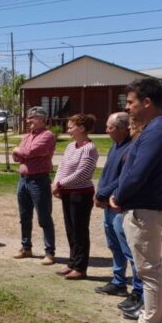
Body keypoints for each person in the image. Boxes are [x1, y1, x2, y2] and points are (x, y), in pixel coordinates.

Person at [111, 78, 162, 323]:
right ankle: (144, 322)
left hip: (146, 210)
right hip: (145, 208)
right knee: (146, 270)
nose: (127, 108)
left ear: (147, 102)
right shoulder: (156, 129)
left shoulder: (159, 131)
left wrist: (118, 196)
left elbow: (138, 173)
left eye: (131, 102)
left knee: (149, 273)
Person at [93, 113, 143, 315]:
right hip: (107, 204)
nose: (106, 130)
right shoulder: (115, 146)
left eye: (110, 127)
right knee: (114, 245)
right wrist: (100, 192)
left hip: (118, 205)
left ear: (122, 128)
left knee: (129, 249)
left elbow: (123, 178)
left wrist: (103, 193)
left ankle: (138, 291)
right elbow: (107, 174)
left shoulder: (131, 148)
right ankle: (118, 282)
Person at [52, 113, 99, 280]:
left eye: (71, 127)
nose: (68, 130)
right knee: (70, 230)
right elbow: (62, 166)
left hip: (81, 195)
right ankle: (72, 263)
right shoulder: (71, 146)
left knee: (80, 231)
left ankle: (80, 267)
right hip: (67, 193)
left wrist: (60, 184)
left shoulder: (89, 148)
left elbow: (82, 174)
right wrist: (56, 183)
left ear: (82, 128)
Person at [11, 107, 57, 263]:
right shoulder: (27, 136)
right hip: (23, 180)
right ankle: (26, 248)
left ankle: (49, 252)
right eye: (28, 117)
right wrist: (21, 152)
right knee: (24, 216)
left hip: (39, 180)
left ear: (42, 119)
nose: (28, 120)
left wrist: (19, 150)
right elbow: (17, 158)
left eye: (32, 117)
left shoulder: (48, 136)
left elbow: (30, 152)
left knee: (44, 217)